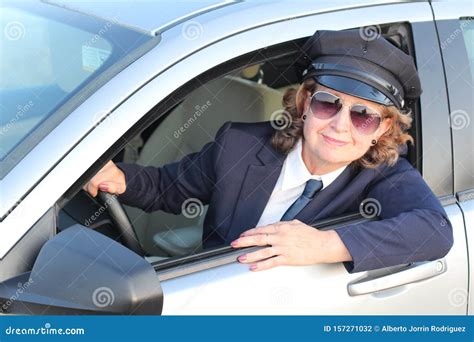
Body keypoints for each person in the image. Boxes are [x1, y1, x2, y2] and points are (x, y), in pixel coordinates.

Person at [84, 29, 453, 273]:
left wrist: (325, 244)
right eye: (328, 104)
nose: (340, 125)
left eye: (363, 116)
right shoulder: (239, 146)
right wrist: (119, 178)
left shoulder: (383, 177)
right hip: (209, 289)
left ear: (383, 128)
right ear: (306, 102)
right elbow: (167, 187)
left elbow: (435, 230)